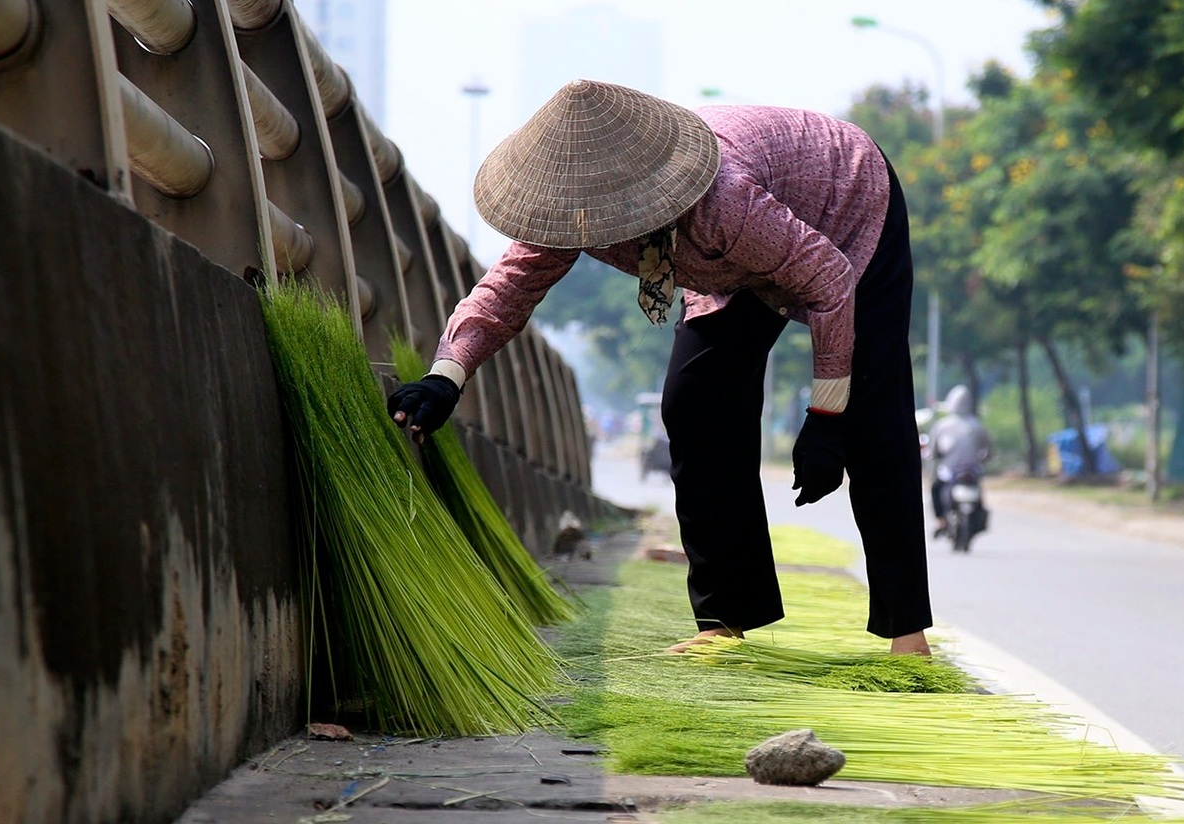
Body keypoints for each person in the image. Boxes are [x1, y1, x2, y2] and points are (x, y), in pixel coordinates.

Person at [387, 81, 931, 657]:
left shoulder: (721, 201)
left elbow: (829, 280)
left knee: (874, 414)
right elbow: (507, 290)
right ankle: (725, 620)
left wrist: (826, 417)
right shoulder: (574, 206)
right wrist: (447, 374)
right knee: (694, 401)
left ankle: (907, 633)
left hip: (845, 206)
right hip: (731, 265)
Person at [928, 384, 992, 538]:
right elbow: (988, 451)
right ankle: (979, 520)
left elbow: (933, 451)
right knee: (980, 492)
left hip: (949, 471)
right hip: (973, 470)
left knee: (936, 488)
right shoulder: (977, 426)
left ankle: (941, 520)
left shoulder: (942, 426)